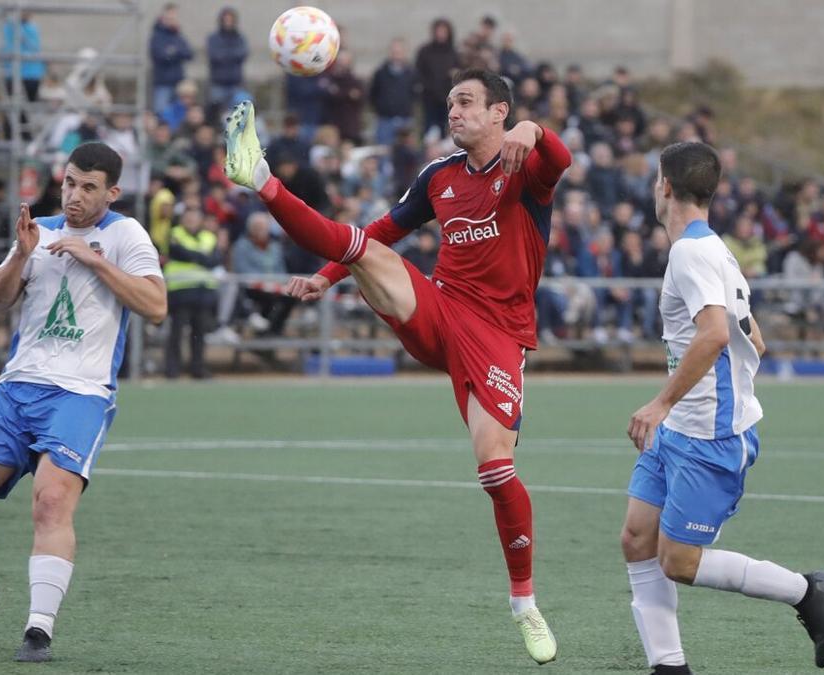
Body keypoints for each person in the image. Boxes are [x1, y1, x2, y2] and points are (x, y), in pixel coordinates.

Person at [223, 68, 570, 665]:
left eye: (466, 102)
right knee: (365, 248)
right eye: (450, 101)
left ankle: (524, 603)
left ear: (498, 112)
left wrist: (534, 131)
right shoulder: (438, 176)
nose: (453, 111)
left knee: (494, 468)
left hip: (499, 338)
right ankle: (260, 179)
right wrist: (326, 277)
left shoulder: (524, 164)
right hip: (439, 309)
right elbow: (381, 230)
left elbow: (558, 161)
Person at [0, 143, 166, 663]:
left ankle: (38, 629)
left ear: (112, 192)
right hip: (17, 389)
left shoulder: (125, 234)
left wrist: (93, 259)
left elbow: (156, 306)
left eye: (88, 187)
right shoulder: (38, 231)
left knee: (52, 501)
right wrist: (21, 254)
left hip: (81, 393)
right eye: (69, 183)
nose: (75, 197)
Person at [619, 142, 824, 674]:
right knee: (636, 538)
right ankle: (668, 666)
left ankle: (805, 591)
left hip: (709, 436)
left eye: (656, 181)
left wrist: (662, 401)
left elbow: (717, 333)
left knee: (679, 562)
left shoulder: (691, 253)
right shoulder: (716, 248)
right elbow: (753, 339)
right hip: (684, 428)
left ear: (665, 187)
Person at [163, 209, 222, 379]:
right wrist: (201, 257)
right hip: (180, 291)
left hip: (203, 292)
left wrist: (194, 257)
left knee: (200, 333)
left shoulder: (209, 236)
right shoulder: (175, 233)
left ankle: (198, 368)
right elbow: (177, 252)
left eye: (194, 218)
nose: (191, 221)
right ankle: (172, 369)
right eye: (188, 218)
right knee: (177, 332)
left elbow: (215, 260)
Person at [149, 2, 194, 113]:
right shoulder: (157, 36)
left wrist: (173, 51)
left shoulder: (178, 36)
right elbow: (160, 56)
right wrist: (176, 52)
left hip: (179, 84)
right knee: (161, 113)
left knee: (179, 114)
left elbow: (189, 54)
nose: (172, 19)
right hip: (163, 83)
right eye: (170, 16)